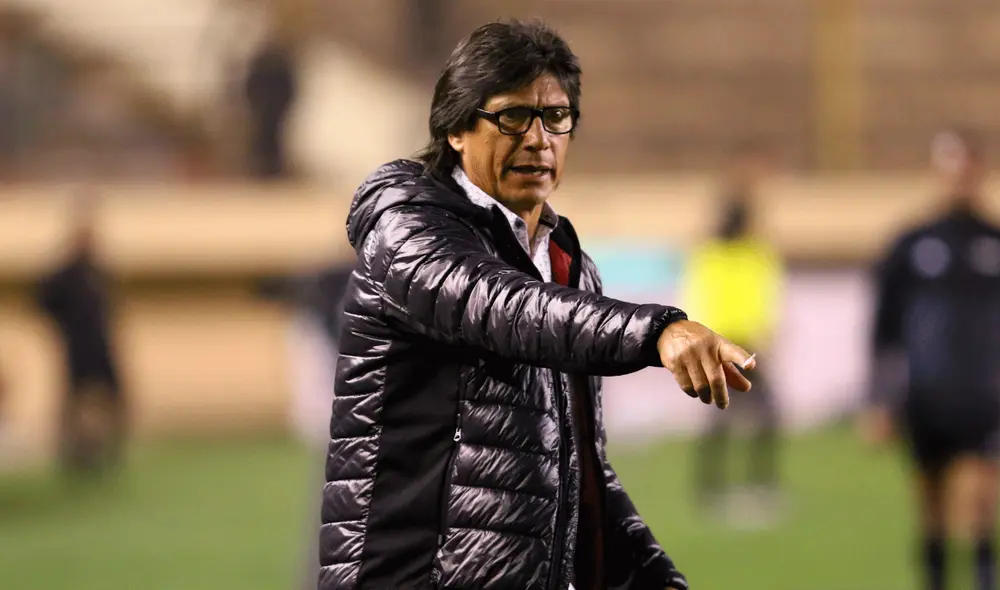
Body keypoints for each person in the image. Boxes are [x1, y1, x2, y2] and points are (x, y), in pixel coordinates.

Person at [318, 20, 757, 590]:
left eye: (555, 117)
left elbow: (580, 474)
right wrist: (657, 332)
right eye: (512, 116)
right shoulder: (408, 230)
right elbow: (508, 308)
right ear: (456, 129)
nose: (537, 138)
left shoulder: (570, 267)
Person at [861, 128, 1000, 590]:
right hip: (925, 394)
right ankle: (935, 578)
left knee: (981, 499)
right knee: (931, 504)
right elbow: (883, 328)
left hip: (984, 393)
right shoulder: (911, 245)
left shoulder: (993, 241)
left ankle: (982, 576)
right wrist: (879, 399)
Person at [682, 140, 785, 526]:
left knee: (761, 418)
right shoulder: (720, 254)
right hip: (728, 345)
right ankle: (719, 487)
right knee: (728, 420)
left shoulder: (743, 253)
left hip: (744, 345)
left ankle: (739, 486)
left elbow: (763, 296)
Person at [37, 191, 126, 475]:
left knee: (111, 398)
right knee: (75, 401)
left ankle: (107, 451)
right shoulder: (64, 274)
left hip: (101, 345)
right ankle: (73, 454)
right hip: (77, 346)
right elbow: (42, 301)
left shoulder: (98, 271)